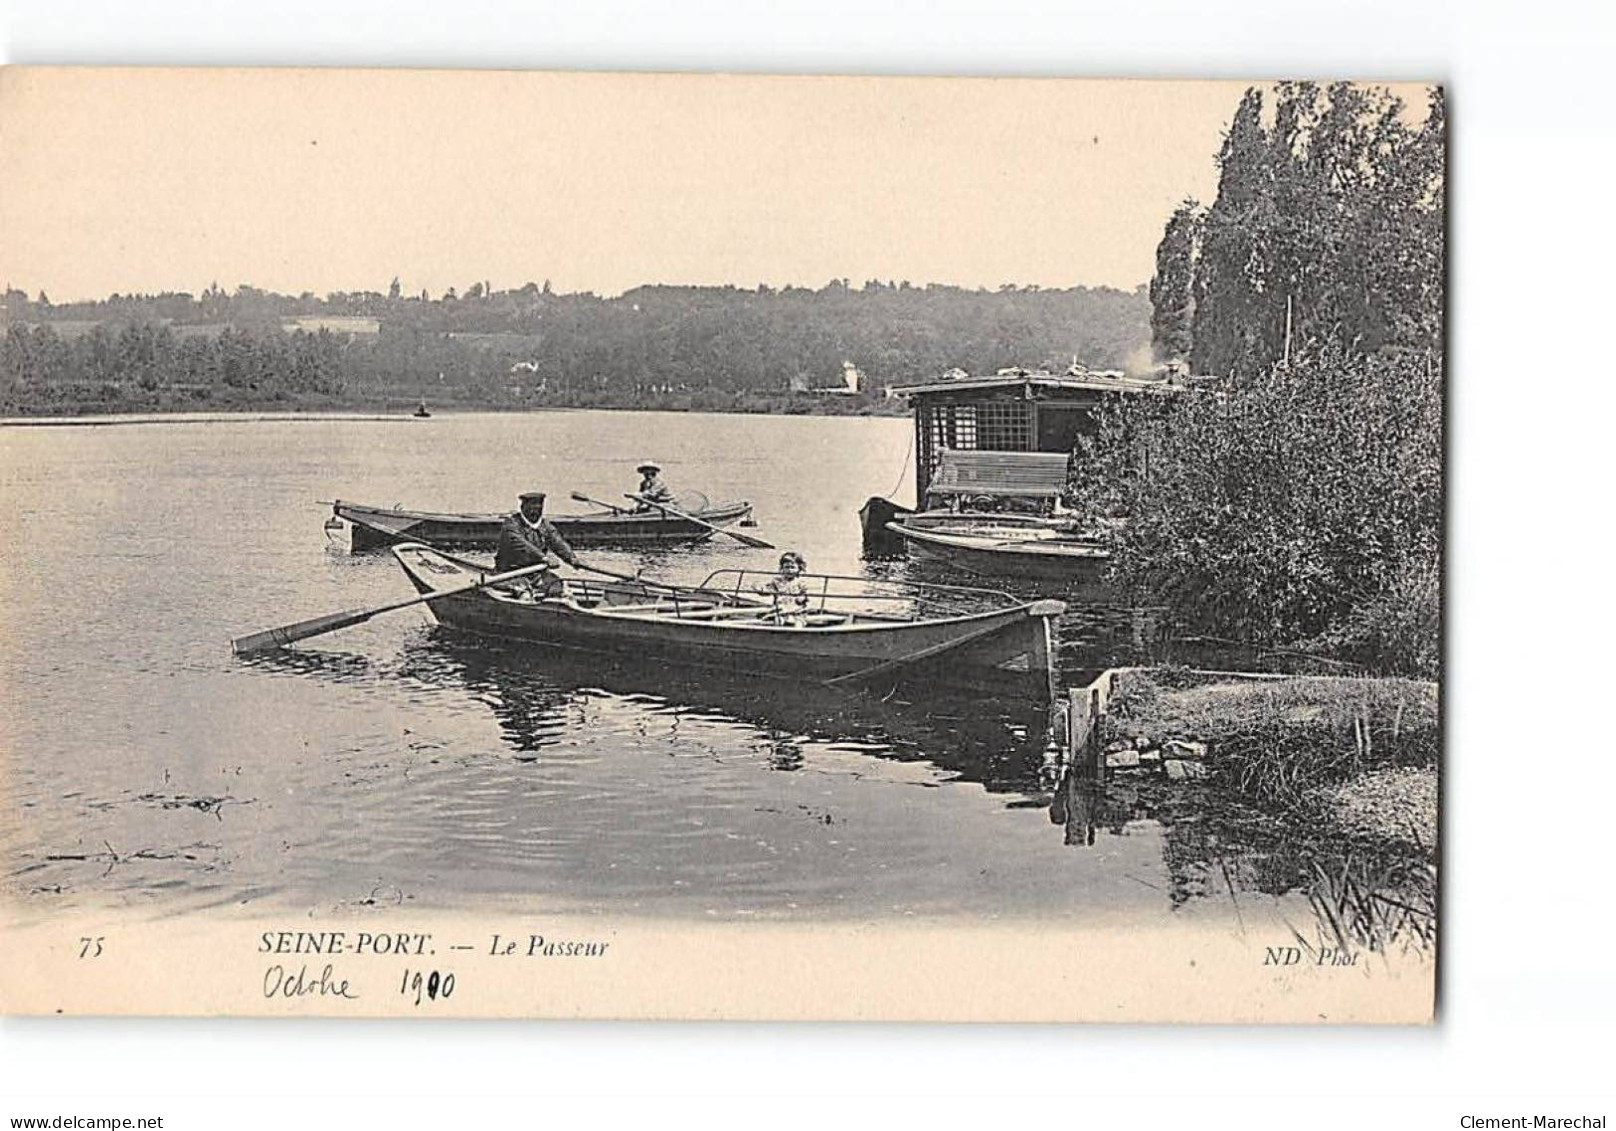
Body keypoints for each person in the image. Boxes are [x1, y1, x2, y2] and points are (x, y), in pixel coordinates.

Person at [494, 491, 580, 599]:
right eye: (532, 506)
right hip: (510, 573)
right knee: (524, 594)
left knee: (560, 588)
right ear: (522, 507)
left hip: (537, 573)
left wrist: (571, 558)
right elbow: (522, 545)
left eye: (539, 506)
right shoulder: (511, 525)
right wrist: (544, 557)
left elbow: (558, 542)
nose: (536, 510)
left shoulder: (545, 526)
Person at [756, 551, 811, 626]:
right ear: (782, 568)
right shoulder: (777, 581)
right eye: (787, 567)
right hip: (780, 610)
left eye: (792, 567)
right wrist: (760, 590)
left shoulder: (801, 583)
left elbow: (805, 596)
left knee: (798, 624)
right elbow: (768, 591)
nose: (789, 570)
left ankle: (797, 635)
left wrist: (802, 598)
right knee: (778, 621)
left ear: (799, 569)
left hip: (797, 611)